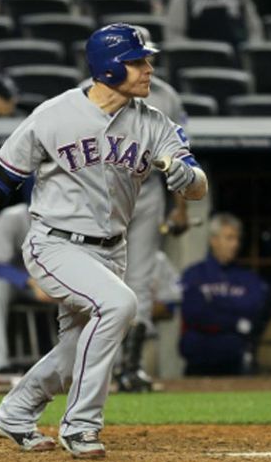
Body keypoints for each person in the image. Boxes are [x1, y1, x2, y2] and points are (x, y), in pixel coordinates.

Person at [0, 23, 208, 458]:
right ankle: (81, 425)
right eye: (138, 61)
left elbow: (197, 184)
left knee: (77, 348)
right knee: (119, 305)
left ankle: (16, 412)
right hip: (54, 244)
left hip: (113, 248)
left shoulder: (154, 124)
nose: (149, 69)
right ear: (110, 68)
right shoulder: (54, 114)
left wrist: (187, 178)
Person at [79, 25, 194, 392]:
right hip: (97, 196)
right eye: (137, 57)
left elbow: (180, 157)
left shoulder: (166, 97)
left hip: (145, 196)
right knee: (93, 282)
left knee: (140, 282)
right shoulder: (85, 93)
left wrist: (181, 210)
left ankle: (130, 368)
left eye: (147, 57)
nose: (147, 65)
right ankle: (90, 368)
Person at [0, 182, 58, 375]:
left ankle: (77, 365)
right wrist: (33, 283)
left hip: (47, 281)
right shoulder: (13, 217)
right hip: (12, 281)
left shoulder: (64, 221)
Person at [179, 213, 267, 375]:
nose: (235, 244)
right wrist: (235, 322)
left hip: (235, 359)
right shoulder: (194, 274)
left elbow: (255, 309)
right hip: (198, 358)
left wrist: (214, 304)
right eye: (229, 238)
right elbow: (194, 313)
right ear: (213, 240)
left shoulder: (247, 278)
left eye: (237, 239)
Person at [165, 0, 264, 50]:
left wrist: (248, 51)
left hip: (236, 58)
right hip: (200, 60)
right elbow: (174, 34)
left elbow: (254, 29)